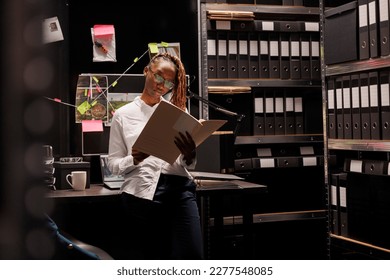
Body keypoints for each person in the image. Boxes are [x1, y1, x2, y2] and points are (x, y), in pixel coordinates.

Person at [107, 52, 203, 260]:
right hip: (141, 191)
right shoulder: (123, 115)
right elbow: (113, 165)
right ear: (146, 71)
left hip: (179, 190)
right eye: (159, 77)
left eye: (169, 82)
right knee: (153, 259)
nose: (162, 85)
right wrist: (135, 158)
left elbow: (187, 165)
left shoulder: (177, 112)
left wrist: (189, 154)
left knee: (192, 256)